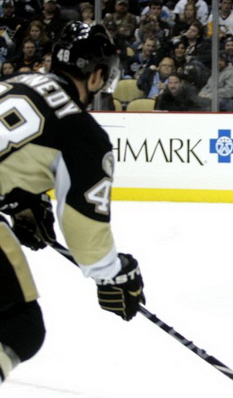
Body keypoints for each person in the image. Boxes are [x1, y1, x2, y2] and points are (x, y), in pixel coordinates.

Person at [0, 20, 145, 386]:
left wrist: (18, 200)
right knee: (18, 326)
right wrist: (112, 271)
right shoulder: (81, 132)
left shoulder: (15, 82)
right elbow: (84, 227)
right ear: (96, 76)